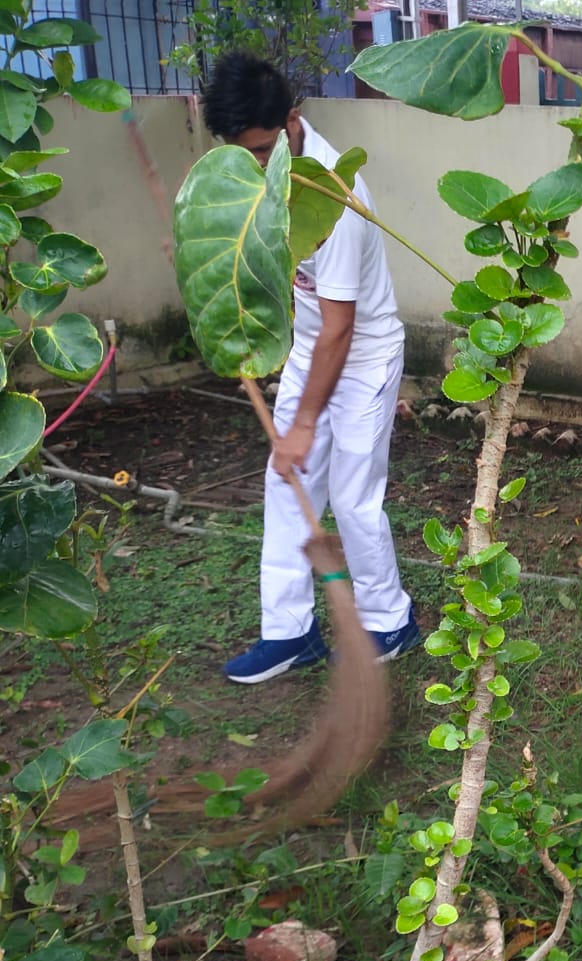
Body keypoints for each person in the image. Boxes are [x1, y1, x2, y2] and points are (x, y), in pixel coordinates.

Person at [201, 51, 420, 683]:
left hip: (362, 352)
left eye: (267, 148)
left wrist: (302, 423)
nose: (259, 164)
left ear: (291, 120)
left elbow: (341, 327)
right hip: (310, 346)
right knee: (285, 481)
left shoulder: (331, 186)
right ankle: (291, 633)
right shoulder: (252, 175)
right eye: (246, 153)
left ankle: (390, 621)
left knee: (352, 497)